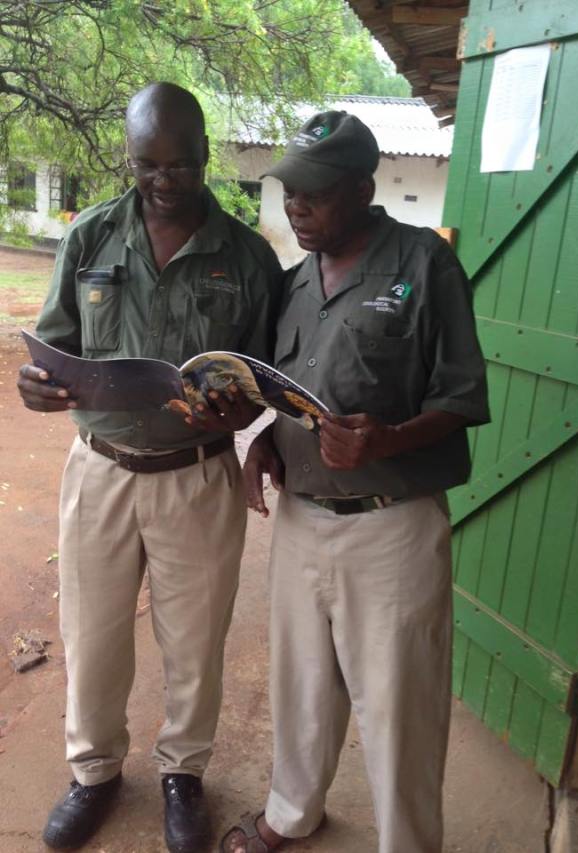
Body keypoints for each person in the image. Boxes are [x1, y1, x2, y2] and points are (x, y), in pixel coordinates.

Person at [17, 82, 281, 853]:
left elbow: (266, 376)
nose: (164, 180)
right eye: (147, 164)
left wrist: (243, 410)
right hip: (98, 469)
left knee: (194, 639)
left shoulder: (248, 257)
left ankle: (182, 773)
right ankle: (94, 772)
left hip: (197, 477)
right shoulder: (91, 237)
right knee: (92, 633)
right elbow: (53, 343)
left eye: (182, 164)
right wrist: (37, 384)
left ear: (207, 157)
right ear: (129, 158)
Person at [218, 111, 490, 853]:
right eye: (289, 193)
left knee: (398, 706)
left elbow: (463, 396)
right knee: (301, 682)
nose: (296, 208)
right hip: (304, 519)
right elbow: (286, 387)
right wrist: (265, 446)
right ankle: (292, 809)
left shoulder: (424, 266)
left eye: (314, 194)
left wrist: (390, 437)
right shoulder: (294, 280)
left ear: (364, 189)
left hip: (391, 524)